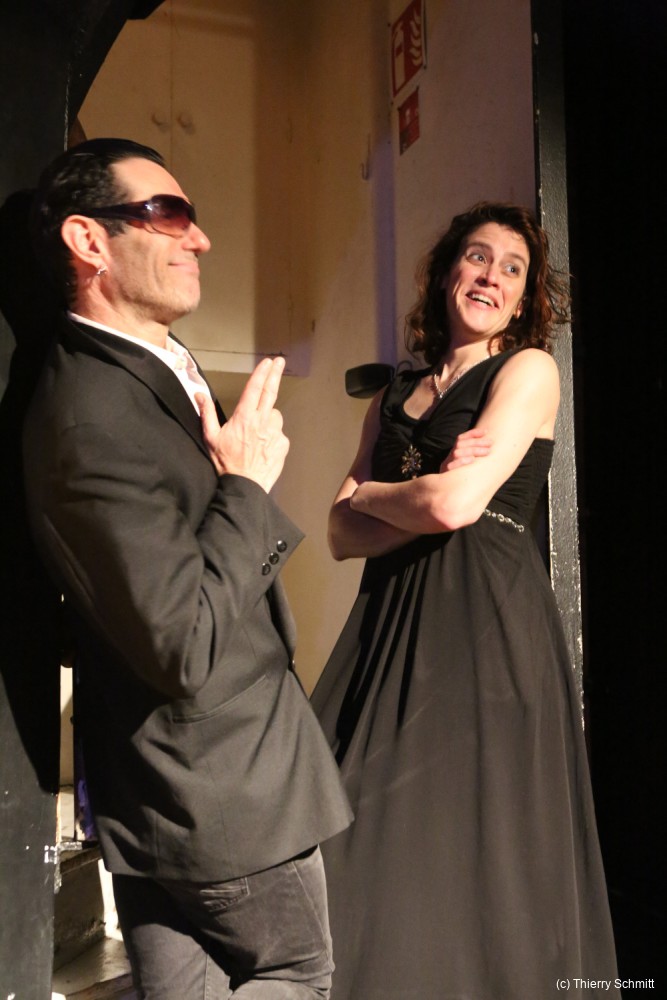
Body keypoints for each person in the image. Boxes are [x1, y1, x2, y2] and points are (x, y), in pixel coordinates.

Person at [23, 137, 352, 999]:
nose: (198, 238)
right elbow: (180, 642)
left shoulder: (145, 363)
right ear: (88, 241)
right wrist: (246, 485)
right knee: (296, 977)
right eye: (166, 214)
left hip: (192, 785)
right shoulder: (89, 418)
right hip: (214, 789)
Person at [311, 202, 620, 999]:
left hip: (483, 624)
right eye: (477, 257)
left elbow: (452, 508)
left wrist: (374, 496)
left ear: (522, 302)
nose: (490, 276)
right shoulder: (394, 395)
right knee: (344, 836)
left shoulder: (527, 371)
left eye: (511, 269)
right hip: (389, 623)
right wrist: (403, 494)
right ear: (448, 270)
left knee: (468, 852)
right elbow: (338, 533)